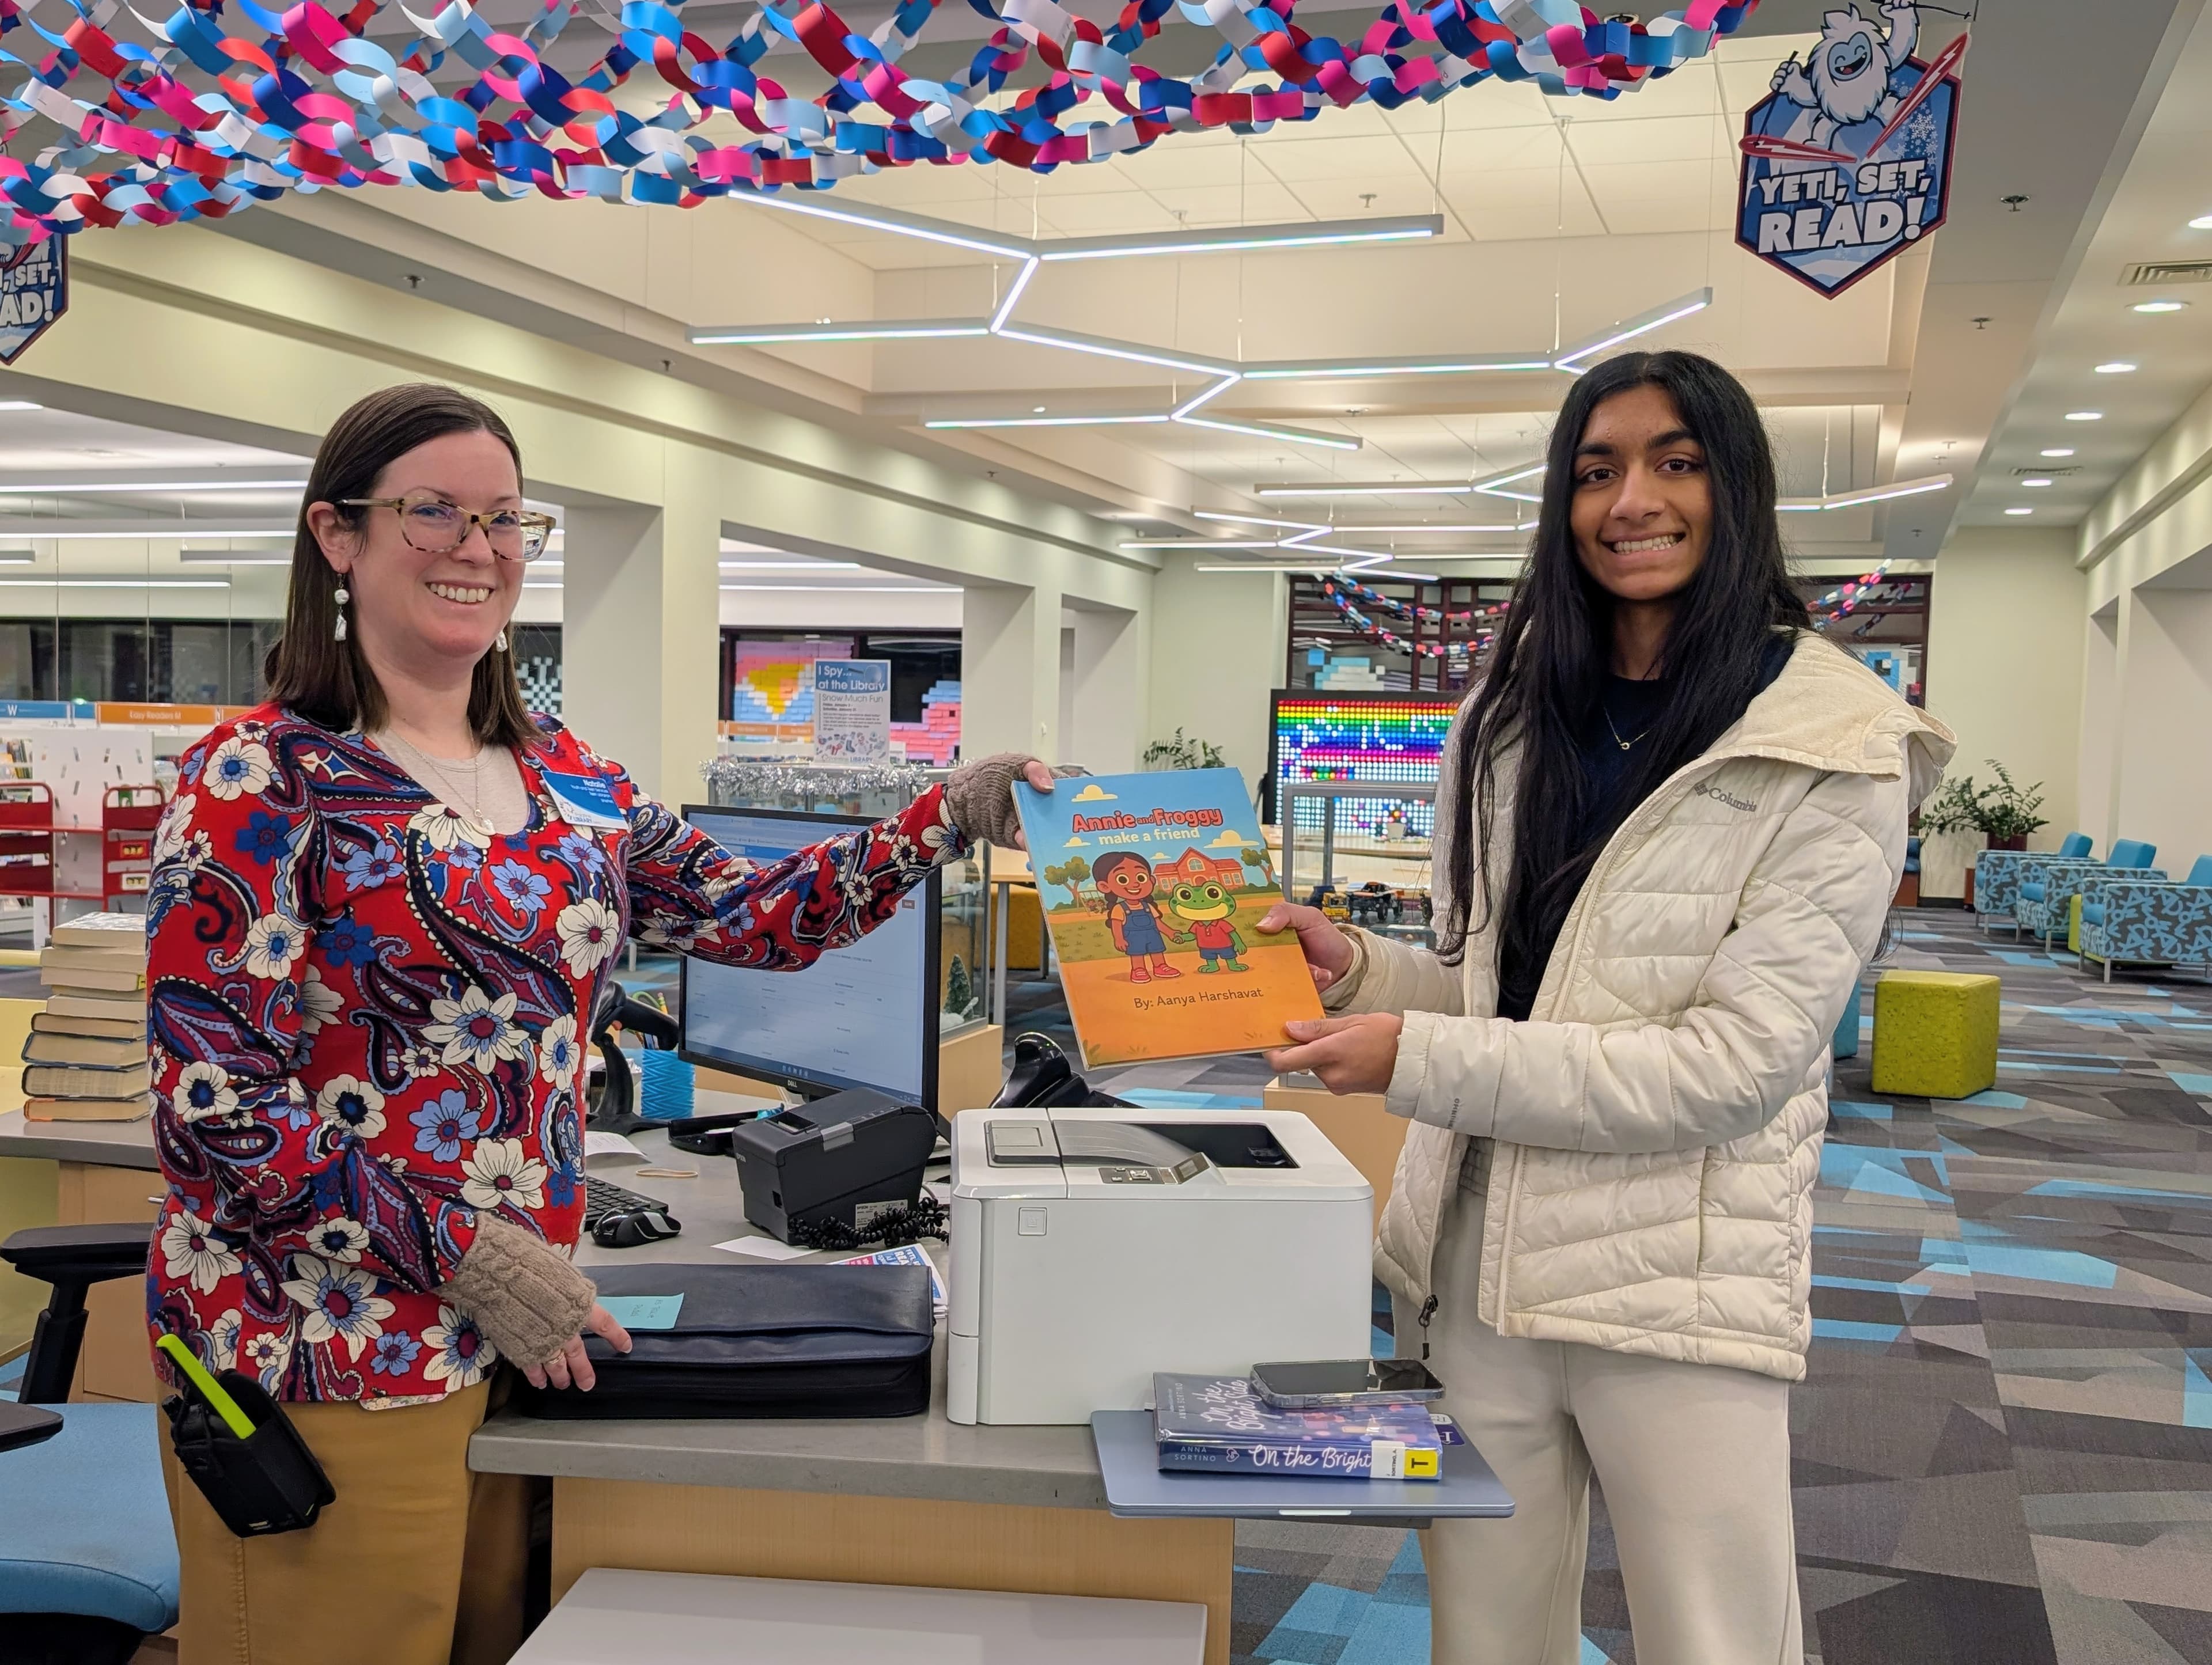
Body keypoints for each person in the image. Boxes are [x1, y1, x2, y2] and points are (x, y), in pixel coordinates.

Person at [143, 382, 1058, 1665]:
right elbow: (215, 1120)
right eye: (434, 512)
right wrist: (460, 1252)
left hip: (538, 1332)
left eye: (507, 519)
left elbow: (754, 917)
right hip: (329, 1345)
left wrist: (944, 816)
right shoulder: (257, 779)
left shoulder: (573, 780)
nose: (478, 548)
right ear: (336, 537)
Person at [1260, 350, 1954, 1665]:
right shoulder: (1512, 721)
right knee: (1486, 1634)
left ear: (1734, 486)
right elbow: (1486, 995)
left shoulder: (1836, 745)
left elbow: (1730, 1071)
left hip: (1673, 1284)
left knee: (1716, 1641)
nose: (1631, 499)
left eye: (1675, 461)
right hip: (1473, 1269)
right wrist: (1356, 971)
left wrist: (1417, 1052)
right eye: (1596, 470)